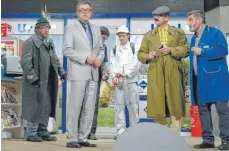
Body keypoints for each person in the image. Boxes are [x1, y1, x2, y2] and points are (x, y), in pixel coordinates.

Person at [137, 6, 190, 132]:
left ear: (167, 17)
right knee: (158, 103)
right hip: (156, 72)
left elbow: (186, 49)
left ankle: (175, 133)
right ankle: (160, 135)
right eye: (154, 16)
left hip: (174, 72)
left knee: (175, 101)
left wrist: (171, 50)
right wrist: (148, 56)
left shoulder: (178, 33)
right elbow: (140, 54)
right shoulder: (149, 36)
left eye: (159, 16)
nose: (156, 18)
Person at [63, 2, 104, 148]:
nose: (85, 13)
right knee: (75, 106)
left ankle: (83, 137)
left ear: (91, 12)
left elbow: (101, 49)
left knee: (89, 107)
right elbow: (67, 50)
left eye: (87, 10)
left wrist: (99, 59)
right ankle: (72, 138)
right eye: (81, 10)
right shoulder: (70, 28)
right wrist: (85, 58)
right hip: (79, 72)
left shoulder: (96, 28)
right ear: (77, 12)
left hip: (93, 73)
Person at [187, 10, 229, 150]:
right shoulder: (194, 38)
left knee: (222, 110)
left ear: (199, 20)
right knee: (203, 110)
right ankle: (208, 140)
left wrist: (203, 51)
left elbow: (223, 49)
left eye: (191, 20)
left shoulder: (215, 33)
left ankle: (227, 140)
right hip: (201, 81)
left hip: (217, 80)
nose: (189, 23)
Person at [21, 16, 65, 142]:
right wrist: (32, 77)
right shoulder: (30, 42)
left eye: (47, 27)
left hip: (48, 80)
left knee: (46, 106)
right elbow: (25, 62)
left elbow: (55, 59)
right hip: (35, 81)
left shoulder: (49, 42)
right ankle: (31, 133)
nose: (45, 30)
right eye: (43, 27)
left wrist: (61, 71)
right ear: (37, 29)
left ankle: (42, 131)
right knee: (35, 106)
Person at [110, 25, 141, 140]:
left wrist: (126, 73)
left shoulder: (134, 47)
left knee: (133, 106)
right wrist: (114, 76)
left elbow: (137, 63)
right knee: (119, 106)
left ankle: (134, 130)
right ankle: (120, 130)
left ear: (128, 35)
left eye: (123, 35)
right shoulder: (115, 49)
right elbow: (113, 65)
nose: (121, 38)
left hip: (131, 81)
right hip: (119, 82)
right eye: (120, 36)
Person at [88, 26, 110, 140]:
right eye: (103, 37)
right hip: (86, 79)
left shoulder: (104, 48)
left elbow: (104, 64)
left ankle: (92, 132)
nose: (104, 39)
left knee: (95, 105)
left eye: (106, 38)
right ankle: (79, 131)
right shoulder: (88, 44)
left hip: (96, 80)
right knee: (82, 105)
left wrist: (106, 75)